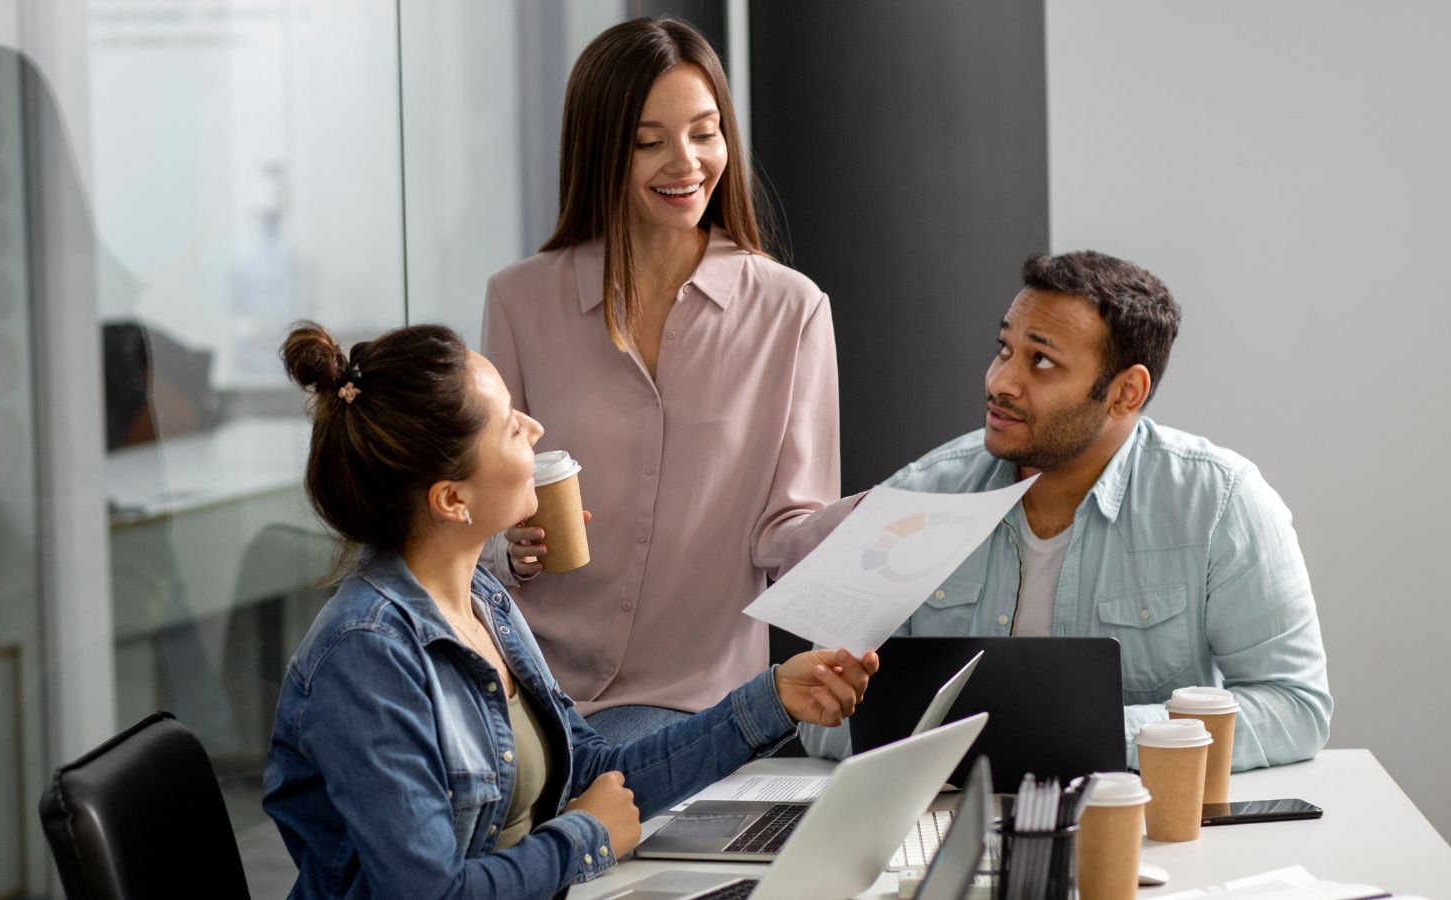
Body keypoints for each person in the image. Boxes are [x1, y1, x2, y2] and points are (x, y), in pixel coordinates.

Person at [263, 322, 878, 899]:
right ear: (452, 499)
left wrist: (775, 699)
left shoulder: (483, 602)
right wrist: (585, 836)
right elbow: (432, 893)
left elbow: (594, 774)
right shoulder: (368, 655)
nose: (533, 428)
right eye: (509, 426)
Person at [798, 251, 1330, 772]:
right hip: (947, 813)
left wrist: (1087, 733)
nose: (999, 381)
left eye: (1042, 361)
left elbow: (1294, 706)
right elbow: (818, 712)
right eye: (1004, 348)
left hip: (1143, 818)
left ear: (1126, 392)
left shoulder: (1219, 502)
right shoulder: (918, 496)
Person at [481, 18, 842, 742]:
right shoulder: (520, 301)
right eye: (650, 142)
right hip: (531, 688)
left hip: (696, 702)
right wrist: (510, 549)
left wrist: (884, 530)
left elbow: (787, 529)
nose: (687, 163)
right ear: (601, 149)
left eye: (705, 133)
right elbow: (483, 512)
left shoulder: (791, 310)